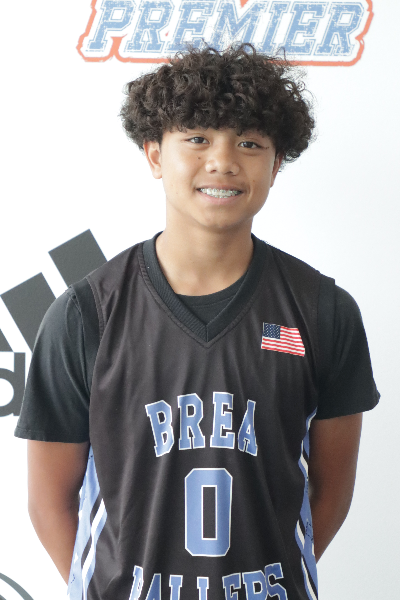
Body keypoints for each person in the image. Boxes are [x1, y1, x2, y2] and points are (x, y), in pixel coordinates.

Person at [15, 42, 379, 600]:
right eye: (197, 138)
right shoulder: (86, 314)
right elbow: (49, 500)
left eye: (250, 143)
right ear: (154, 154)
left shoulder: (324, 311)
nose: (223, 161)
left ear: (277, 164)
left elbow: (331, 491)